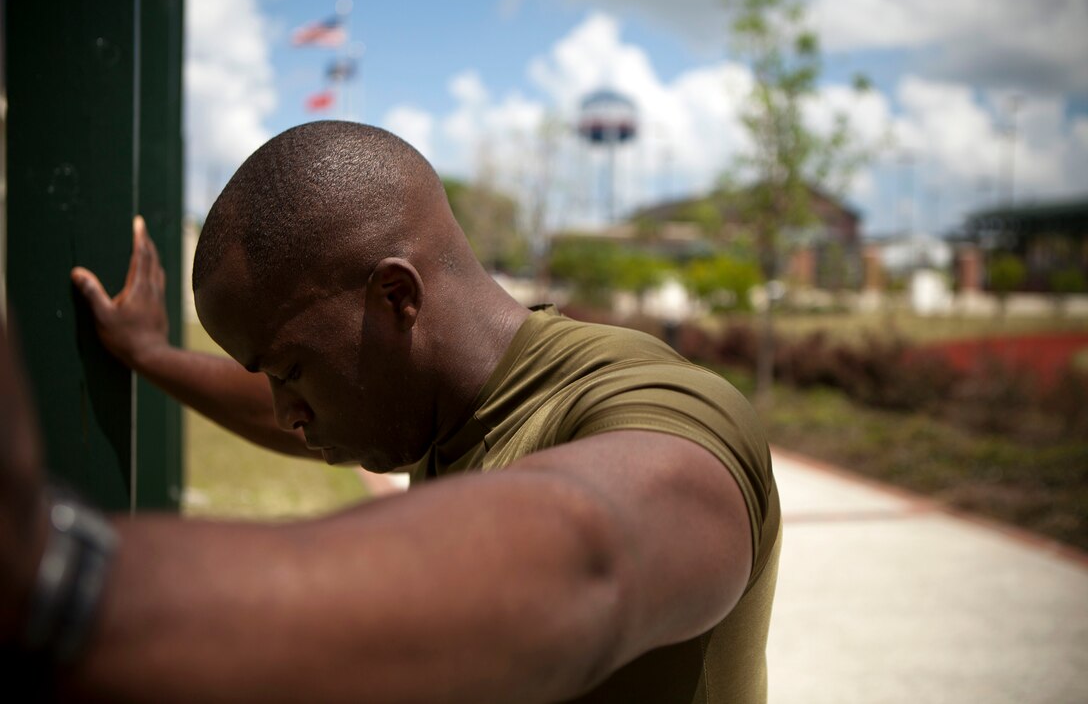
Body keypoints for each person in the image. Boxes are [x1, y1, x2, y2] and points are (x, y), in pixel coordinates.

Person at [4, 121, 780, 702]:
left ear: (398, 297)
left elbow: (590, 562)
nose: (290, 412)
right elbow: (301, 415)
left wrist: (57, 580)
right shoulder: (439, 402)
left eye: (294, 369)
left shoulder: (667, 411)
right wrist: (152, 356)